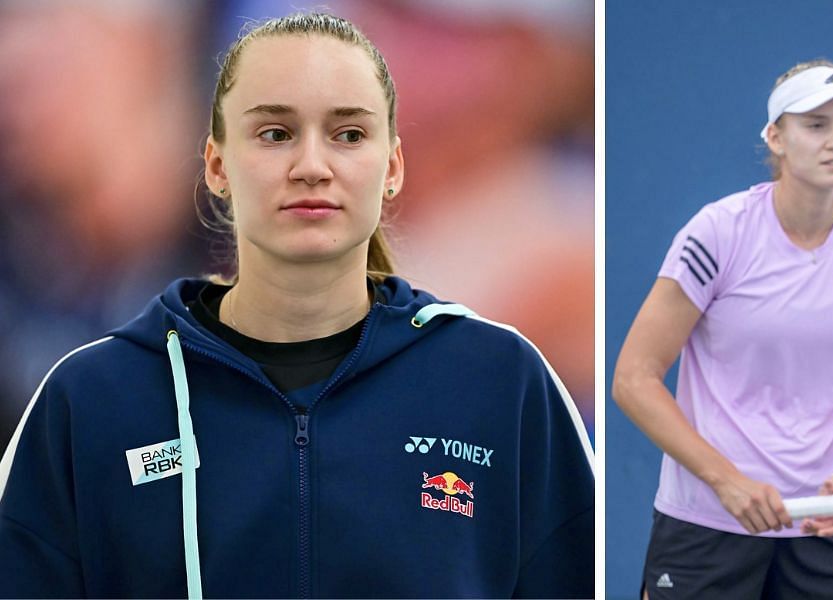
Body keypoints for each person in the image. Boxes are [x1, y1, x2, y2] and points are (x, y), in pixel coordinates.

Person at [0, 12, 594, 599]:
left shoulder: (507, 378)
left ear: (391, 166)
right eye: (274, 134)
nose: (312, 167)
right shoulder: (89, 396)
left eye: (349, 134)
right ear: (216, 165)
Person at [612, 60, 833, 599]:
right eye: (816, 125)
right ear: (776, 137)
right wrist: (725, 481)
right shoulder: (717, 233)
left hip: (826, 525)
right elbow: (634, 379)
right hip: (706, 524)